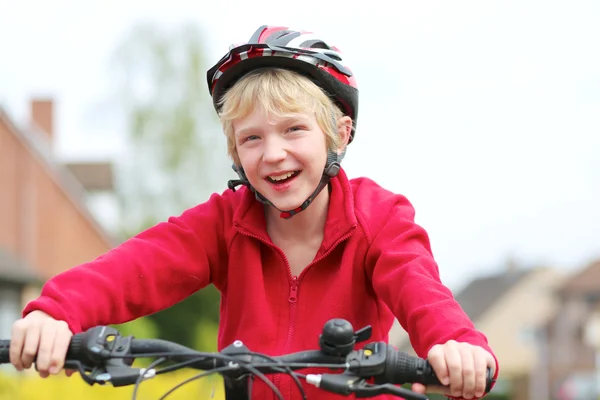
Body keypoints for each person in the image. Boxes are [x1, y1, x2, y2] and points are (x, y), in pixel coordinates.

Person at [9, 25, 498, 399]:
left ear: (340, 134)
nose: (273, 154)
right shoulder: (225, 223)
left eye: (294, 130)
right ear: (236, 153)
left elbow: (422, 292)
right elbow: (135, 267)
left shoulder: (379, 219)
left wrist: (455, 344)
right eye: (252, 138)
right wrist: (56, 312)